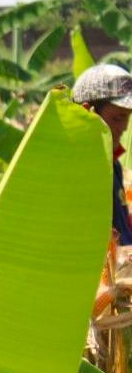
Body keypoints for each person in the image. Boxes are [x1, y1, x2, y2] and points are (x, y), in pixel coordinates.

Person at [72, 64, 132, 245]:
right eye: (117, 118)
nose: (124, 128)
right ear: (87, 112)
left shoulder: (112, 164)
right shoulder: (76, 170)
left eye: (127, 117)